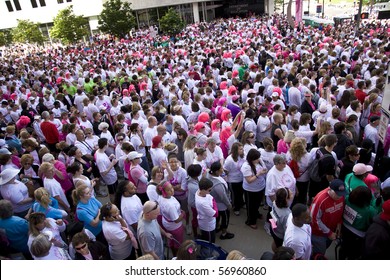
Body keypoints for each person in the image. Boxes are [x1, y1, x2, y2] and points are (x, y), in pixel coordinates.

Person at [310, 179, 346, 257]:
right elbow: (314, 219)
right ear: (330, 189)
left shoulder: (341, 197)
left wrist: (339, 222)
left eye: (341, 194)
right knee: (320, 253)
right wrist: (329, 232)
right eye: (337, 194)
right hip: (319, 234)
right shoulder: (320, 199)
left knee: (326, 247)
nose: (339, 196)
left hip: (332, 231)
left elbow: (340, 210)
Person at [340, 186, 377, 260]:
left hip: (343, 228)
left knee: (343, 248)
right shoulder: (370, 210)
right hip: (358, 236)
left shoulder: (347, 199)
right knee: (354, 255)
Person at [156, 180, 185, 257]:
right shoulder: (170, 205)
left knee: (171, 239)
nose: (172, 190)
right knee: (178, 242)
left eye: (171, 187)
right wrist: (183, 214)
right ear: (163, 192)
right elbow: (176, 220)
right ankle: (178, 256)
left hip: (166, 222)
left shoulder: (161, 197)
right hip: (175, 226)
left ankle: (173, 251)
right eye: (169, 190)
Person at [240, 149, 267, 229]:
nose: (258, 159)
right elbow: (249, 180)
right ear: (251, 158)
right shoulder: (246, 166)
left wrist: (264, 171)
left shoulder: (259, 160)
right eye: (256, 158)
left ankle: (256, 213)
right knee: (251, 206)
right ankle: (251, 221)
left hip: (260, 187)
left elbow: (264, 168)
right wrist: (259, 174)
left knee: (257, 203)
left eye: (258, 158)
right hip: (250, 190)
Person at [208, 161, 234, 240]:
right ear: (216, 171)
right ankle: (224, 233)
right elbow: (223, 197)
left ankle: (217, 227)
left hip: (215, 203)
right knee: (225, 218)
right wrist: (229, 205)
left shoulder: (209, 175)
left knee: (217, 217)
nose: (222, 169)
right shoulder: (217, 185)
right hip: (222, 205)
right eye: (221, 168)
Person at [223, 142, 245, 216]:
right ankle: (236, 208)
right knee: (234, 195)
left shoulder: (242, 156)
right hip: (233, 181)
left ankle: (241, 204)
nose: (242, 150)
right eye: (240, 149)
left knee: (240, 193)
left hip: (241, 179)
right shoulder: (229, 160)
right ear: (236, 150)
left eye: (242, 148)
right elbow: (225, 169)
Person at [95, 138, 118, 202]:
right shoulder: (100, 159)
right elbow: (103, 173)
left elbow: (104, 164)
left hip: (112, 175)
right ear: (105, 145)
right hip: (110, 178)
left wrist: (109, 158)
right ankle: (114, 203)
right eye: (107, 143)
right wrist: (112, 164)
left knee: (115, 191)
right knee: (112, 193)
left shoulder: (100, 151)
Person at [195, 178, 217, 243]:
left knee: (205, 238)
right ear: (203, 190)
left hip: (204, 221)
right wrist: (214, 202)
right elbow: (215, 214)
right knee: (210, 242)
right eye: (209, 190)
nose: (211, 191)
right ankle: (207, 252)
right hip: (208, 226)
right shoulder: (203, 203)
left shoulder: (198, 191)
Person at [270, 188, 291, 252]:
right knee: (279, 249)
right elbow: (286, 230)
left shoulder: (274, 202)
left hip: (273, 230)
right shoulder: (287, 214)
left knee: (275, 242)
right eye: (290, 193)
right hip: (280, 235)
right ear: (286, 199)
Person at [187, 164, 202, 238]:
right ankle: (195, 234)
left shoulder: (193, 179)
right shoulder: (193, 186)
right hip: (194, 204)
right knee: (194, 219)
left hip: (193, 202)